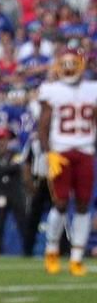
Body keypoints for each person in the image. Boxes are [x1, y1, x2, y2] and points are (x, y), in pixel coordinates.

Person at [34, 48, 96, 275]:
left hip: (86, 150)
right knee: (60, 203)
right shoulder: (52, 90)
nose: (69, 68)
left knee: (82, 204)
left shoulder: (92, 89)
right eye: (65, 63)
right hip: (60, 151)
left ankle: (77, 256)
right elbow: (43, 125)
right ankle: (51, 250)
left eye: (73, 63)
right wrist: (47, 152)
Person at [0, 130, 30, 255]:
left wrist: (4, 169)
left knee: (22, 222)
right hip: (1, 193)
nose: (0, 142)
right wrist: (8, 168)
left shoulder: (15, 154)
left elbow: (17, 167)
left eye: (2, 139)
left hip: (15, 193)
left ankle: (28, 249)